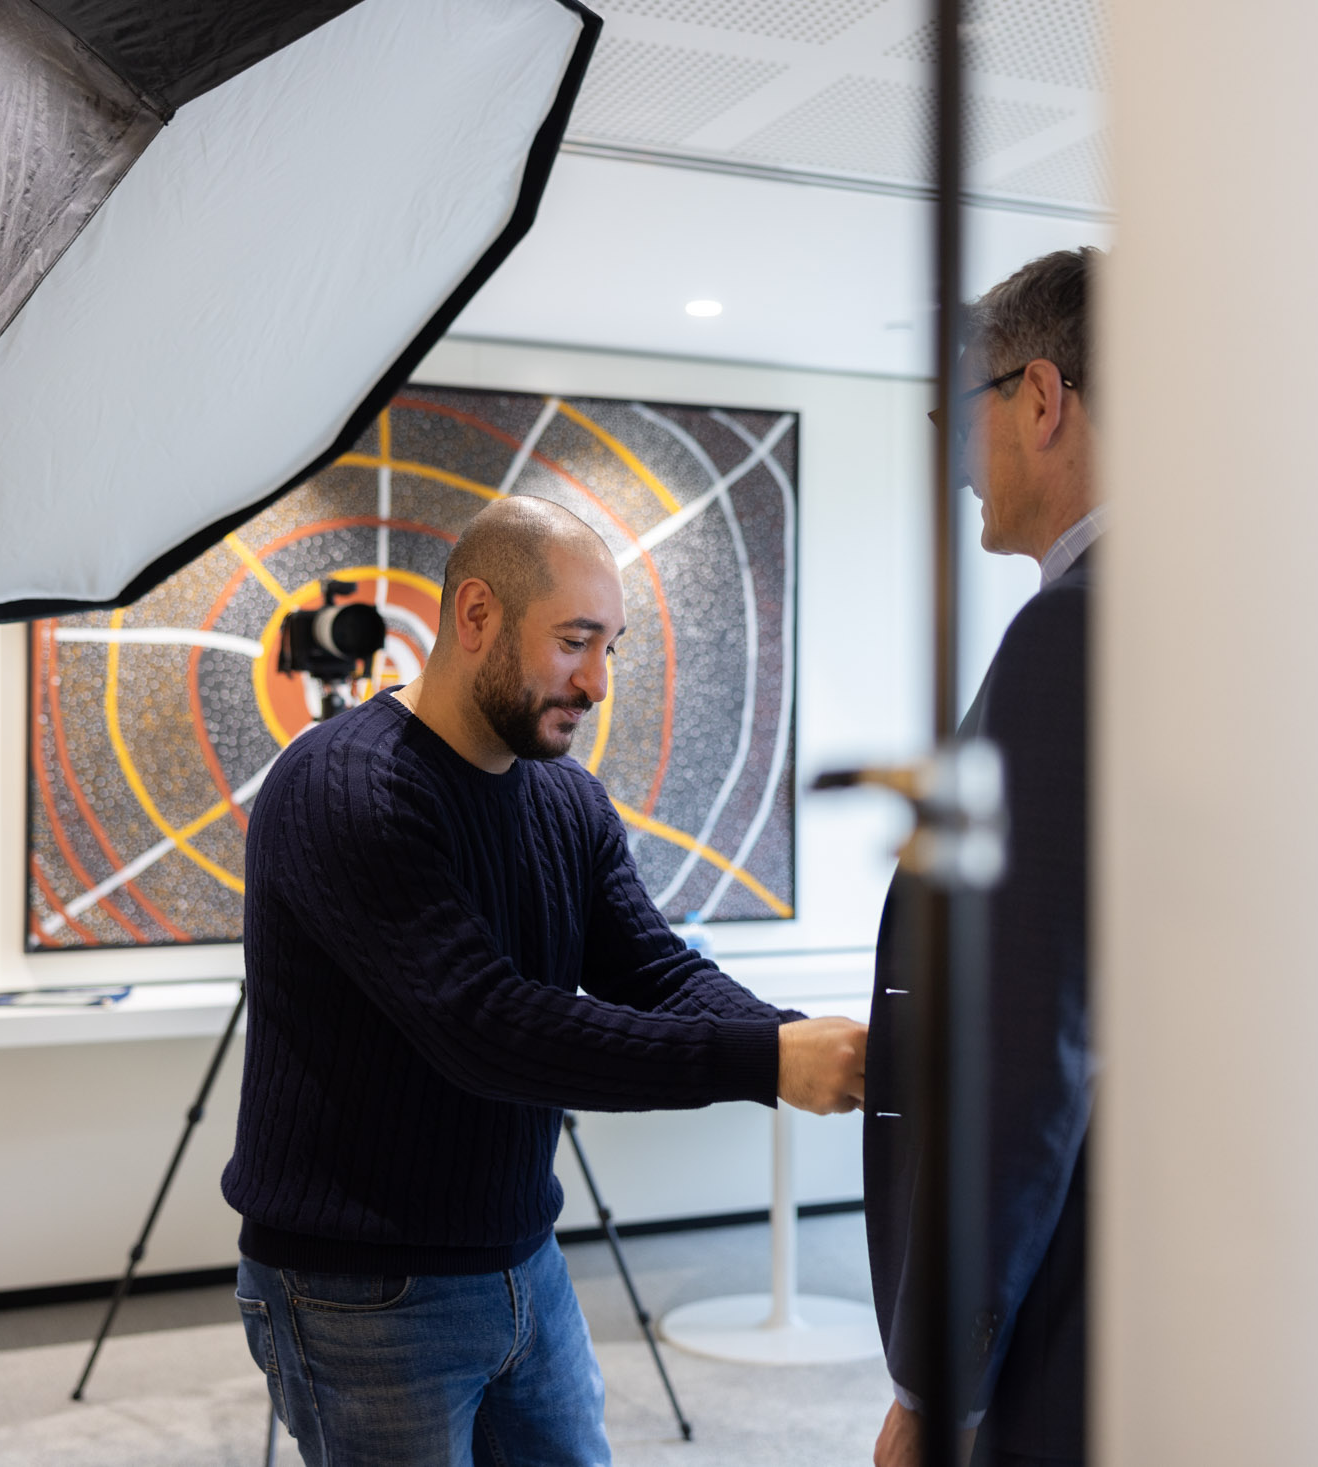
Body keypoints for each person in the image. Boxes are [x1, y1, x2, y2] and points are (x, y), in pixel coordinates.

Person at [223, 495, 869, 1465]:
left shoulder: (568, 801)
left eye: (610, 647)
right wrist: (767, 1058)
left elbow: (650, 968)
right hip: (360, 1290)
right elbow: (484, 1028)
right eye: (575, 642)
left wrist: (796, 1040)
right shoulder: (344, 787)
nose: (598, 682)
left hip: (523, 1258)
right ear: (476, 615)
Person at [866, 247, 1102, 1467]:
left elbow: (1033, 1039)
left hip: (1073, 1293)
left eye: (961, 414)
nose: (956, 459)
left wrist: (939, 1382)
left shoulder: (1072, 632)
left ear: (1042, 398)